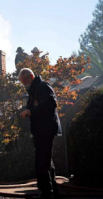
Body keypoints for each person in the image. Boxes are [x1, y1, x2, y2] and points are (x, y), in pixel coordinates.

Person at [19, 68, 62, 199]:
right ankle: (52, 191)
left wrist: (31, 112)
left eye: (25, 81)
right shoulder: (33, 91)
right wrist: (28, 110)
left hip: (46, 129)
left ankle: (46, 193)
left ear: (31, 77)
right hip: (41, 130)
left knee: (42, 161)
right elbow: (36, 106)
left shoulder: (43, 86)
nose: (24, 84)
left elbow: (51, 103)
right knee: (47, 161)